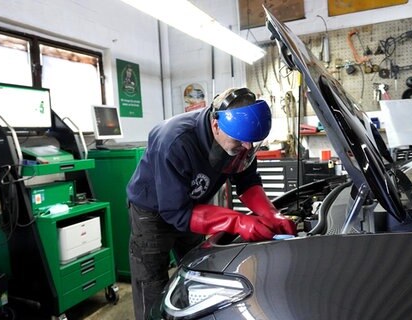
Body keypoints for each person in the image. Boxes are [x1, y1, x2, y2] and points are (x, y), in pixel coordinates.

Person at [126, 87, 296, 319]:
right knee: (152, 285)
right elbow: (176, 211)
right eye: (240, 142)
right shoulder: (175, 141)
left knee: (197, 274)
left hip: (195, 206)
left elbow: (247, 182)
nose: (246, 148)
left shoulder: (241, 141)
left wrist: (271, 214)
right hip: (152, 212)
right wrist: (238, 222)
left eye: (252, 143)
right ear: (216, 126)